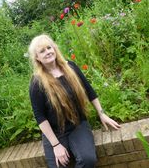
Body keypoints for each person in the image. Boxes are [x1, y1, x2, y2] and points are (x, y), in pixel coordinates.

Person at [29, 34, 121, 168]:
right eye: (42, 51)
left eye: (49, 48)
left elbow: (89, 91)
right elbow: (40, 117)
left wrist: (101, 113)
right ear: (37, 58)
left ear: (54, 48)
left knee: (88, 159)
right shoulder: (37, 82)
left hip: (78, 125)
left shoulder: (70, 67)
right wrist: (55, 145)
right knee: (58, 165)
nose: (48, 52)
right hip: (55, 132)